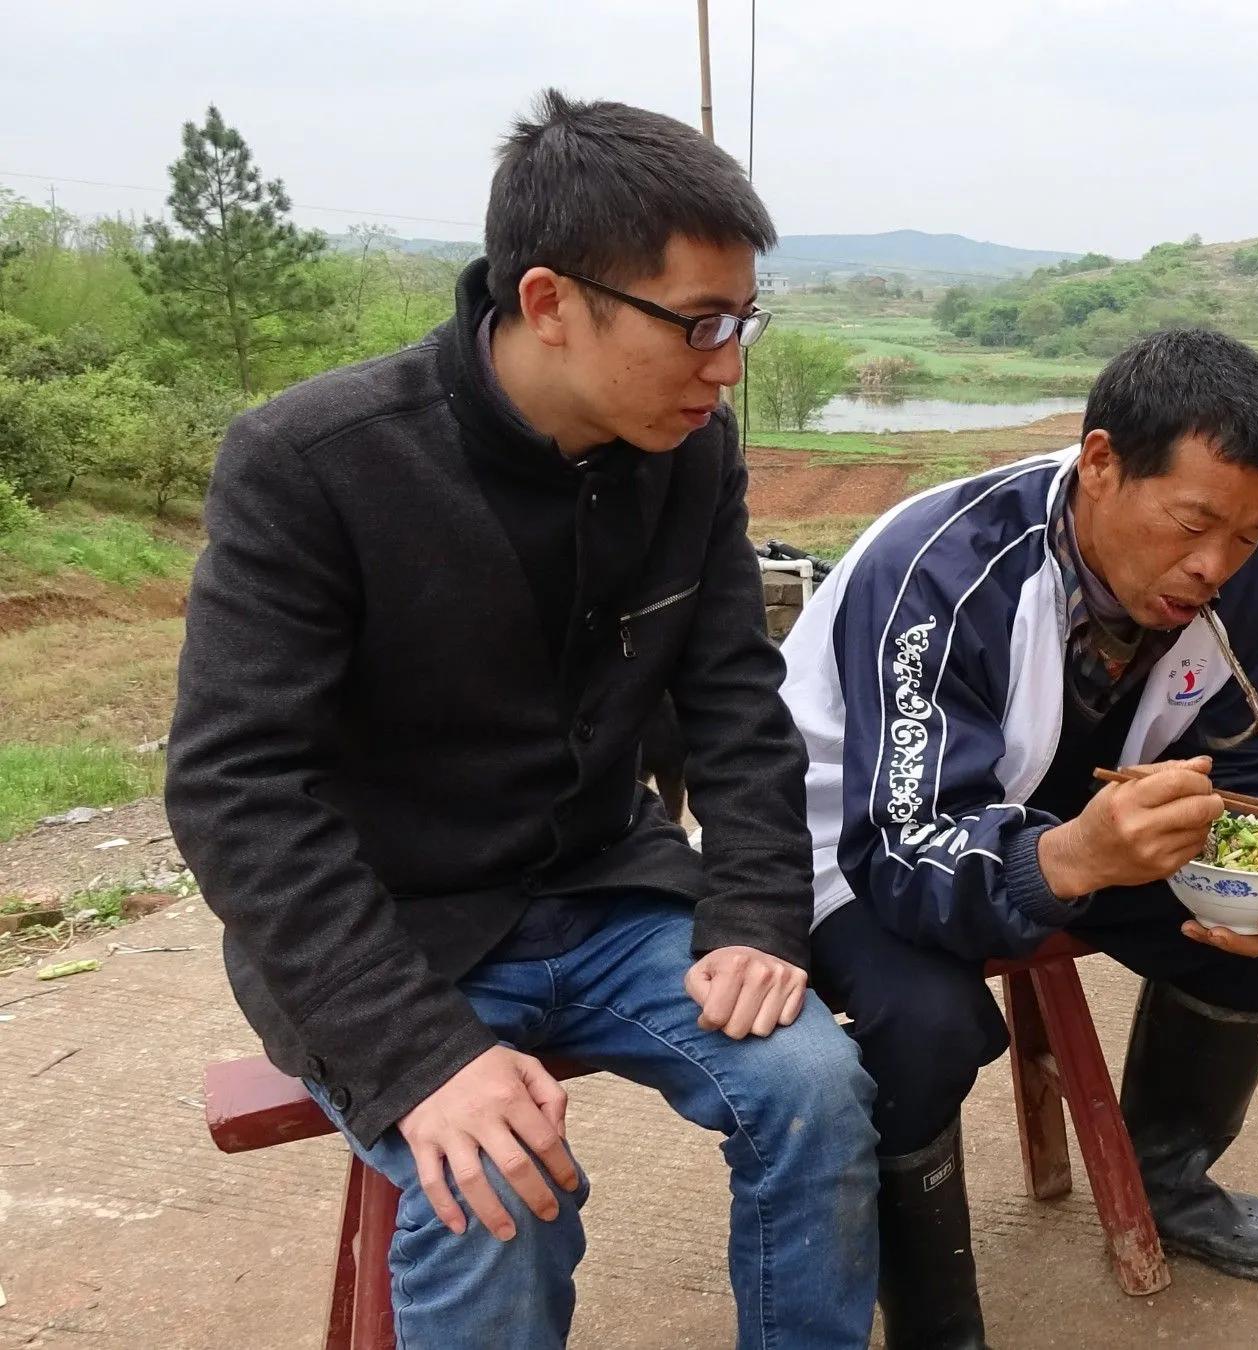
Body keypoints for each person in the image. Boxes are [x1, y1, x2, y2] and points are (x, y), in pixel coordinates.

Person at [165, 91, 879, 1348]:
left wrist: (758, 910)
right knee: (495, 1179)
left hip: (604, 891)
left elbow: (730, 697)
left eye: (744, 319)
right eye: (699, 323)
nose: (728, 363)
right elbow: (236, 789)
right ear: (549, 302)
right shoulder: (316, 463)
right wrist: (417, 1056)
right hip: (395, 933)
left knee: (816, 1085)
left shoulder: (690, 452)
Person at [780, 328, 1258, 1347]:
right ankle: (935, 1321)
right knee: (928, 1023)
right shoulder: (941, 571)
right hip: (853, 841)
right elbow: (902, 843)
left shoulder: (1246, 582)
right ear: (1098, 463)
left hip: (1059, 821)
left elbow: (1256, 766)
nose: (1215, 567)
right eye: (1193, 524)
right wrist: (1068, 859)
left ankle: (1172, 1179)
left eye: (1249, 533)